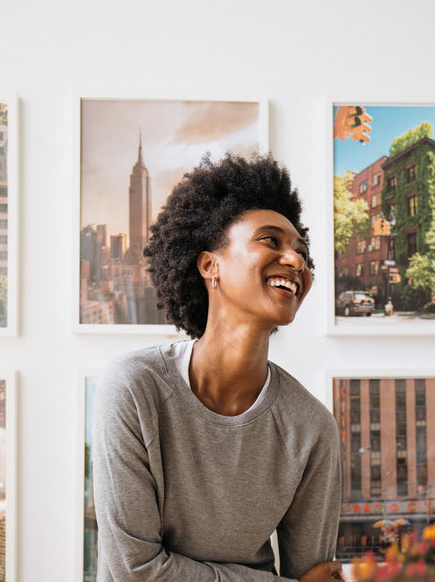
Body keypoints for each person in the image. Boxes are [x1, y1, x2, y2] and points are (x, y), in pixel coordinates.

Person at [93, 153, 345, 582]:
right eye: (271, 240)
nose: (297, 261)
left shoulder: (312, 428)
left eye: (303, 252)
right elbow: (133, 572)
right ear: (211, 265)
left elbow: (315, 575)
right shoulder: (134, 388)